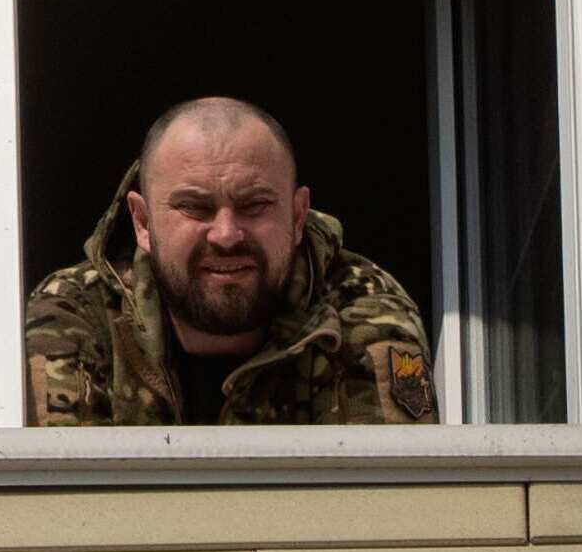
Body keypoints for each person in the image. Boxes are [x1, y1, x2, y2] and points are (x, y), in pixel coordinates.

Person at [22, 93, 437, 425]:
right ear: (143, 222)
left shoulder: (360, 308)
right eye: (195, 209)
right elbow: (61, 513)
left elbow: (383, 510)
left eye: (254, 206)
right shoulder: (77, 312)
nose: (226, 235)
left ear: (297, 217)